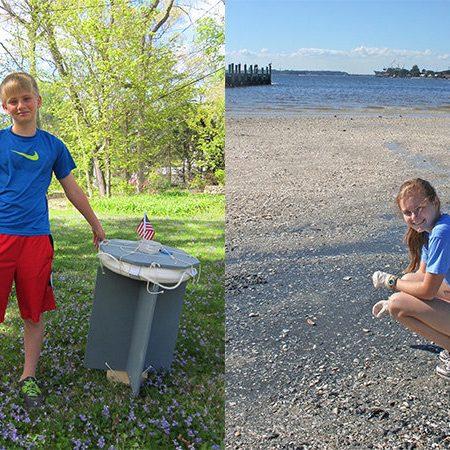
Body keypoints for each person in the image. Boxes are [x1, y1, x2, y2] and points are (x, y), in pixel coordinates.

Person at [0, 72, 106, 407]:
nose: (21, 106)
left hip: (35, 240)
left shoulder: (52, 146)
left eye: (26, 98)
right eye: (13, 101)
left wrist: (95, 223)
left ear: (38, 101)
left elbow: (72, 188)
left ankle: (28, 376)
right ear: (5, 107)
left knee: (33, 312)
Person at [372, 178, 450, 380]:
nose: (414, 217)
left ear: (434, 202)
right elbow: (421, 277)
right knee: (409, 279)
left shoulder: (442, 233)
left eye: (419, 208)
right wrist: (401, 286)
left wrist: (390, 283)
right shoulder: (432, 229)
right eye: (408, 213)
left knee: (398, 304)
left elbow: (428, 291)